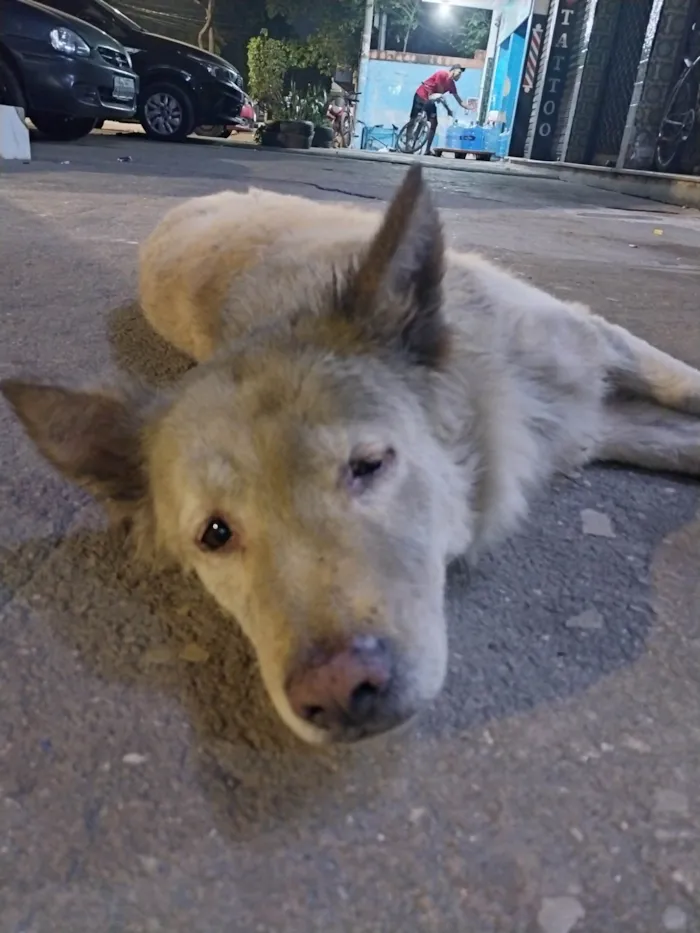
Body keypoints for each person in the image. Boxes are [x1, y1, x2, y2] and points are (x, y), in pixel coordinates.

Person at [409, 65, 470, 155]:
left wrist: (467, 107)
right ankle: (407, 144)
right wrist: (446, 107)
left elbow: (459, 100)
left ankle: (427, 150)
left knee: (434, 123)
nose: (459, 76)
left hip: (430, 100)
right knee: (413, 119)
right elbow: (439, 92)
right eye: (459, 73)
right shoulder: (441, 74)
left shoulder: (451, 85)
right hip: (421, 95)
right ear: (453, 71)